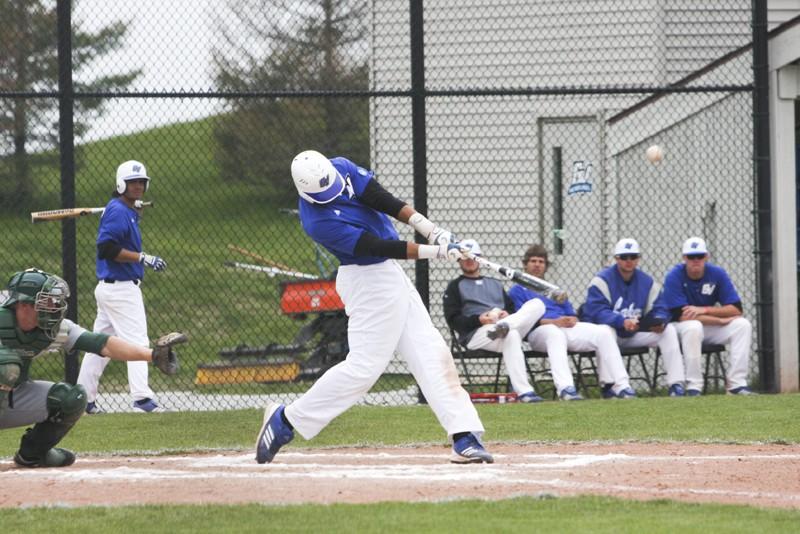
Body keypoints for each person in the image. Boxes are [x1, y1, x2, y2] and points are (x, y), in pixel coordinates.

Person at [256, 150, 493, 465]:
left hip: (388, 276)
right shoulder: (318, 222)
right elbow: (378, 247)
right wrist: (439, 252)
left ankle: (464, 434)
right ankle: (286, 420)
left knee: (429, 351)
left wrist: (433, 230)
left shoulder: (340, 168)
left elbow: (384, 200)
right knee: (364, 368)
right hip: (367, 280)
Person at [0, 268, 184, 467]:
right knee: (6, 365)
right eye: (45, 302)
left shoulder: (49, 329)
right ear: (23, 305)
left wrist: (152, 355)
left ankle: (32, 454)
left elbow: (101, 343)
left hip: (10, 397)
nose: (53, 307)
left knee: (71, 398)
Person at [77, 160, 168, 414]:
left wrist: (132, 209)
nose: (138, 186)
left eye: (141, 182)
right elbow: (106, 249)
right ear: (121, 184)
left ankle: (82, 399)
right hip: (121, 289)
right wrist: (142, 257)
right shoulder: (117, 211)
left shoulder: (124, 210)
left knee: (99, 345)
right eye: (132, 182)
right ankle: (142, 399)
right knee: (137, 341)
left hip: (112, 288)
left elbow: (119, 231)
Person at [508, 244, 634, 401]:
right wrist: (554, 322)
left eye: (541, 262)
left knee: (604, 331)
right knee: (554, 333)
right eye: (533, 261)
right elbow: (525, 321)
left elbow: (571, 314)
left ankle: (621, 386)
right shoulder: (518, 290)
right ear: (525, 264)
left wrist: (572, 319)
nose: (537, 265)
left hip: (564, 328)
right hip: (540, 332)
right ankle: (566, 389)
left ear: (546, 266)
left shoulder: (554, 289)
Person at [443, 239, 547, 402]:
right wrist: (479, 320)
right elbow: (453, 320)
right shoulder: (455, 286)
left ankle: (524, 392)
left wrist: (507, 314)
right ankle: (505, 327)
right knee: (511, 333)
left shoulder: (495, 284)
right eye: (465, 257)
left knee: (537, 304)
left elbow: (512, 309)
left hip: (502, 328)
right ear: (458, 259)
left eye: (473, 257)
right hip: (477, 334)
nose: (469, 261)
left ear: (480, 259)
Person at [580, 238, 685, 398]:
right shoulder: (601, 280)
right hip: (611, 332)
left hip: (634, 331)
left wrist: (660, 320)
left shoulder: (647, 282)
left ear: (638, 259)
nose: (629, 261)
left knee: (668, 331)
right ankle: (611, 386)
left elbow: (660, 306)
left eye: (633, 257)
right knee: (605, 331)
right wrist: (621, 321)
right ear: (616, 259)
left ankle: (676, 384)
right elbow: (597, 311)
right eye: (624, 257)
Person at [662, 237, 755, 396]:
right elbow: (681, 315)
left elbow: (736, 309)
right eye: (691, 257)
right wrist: (719, 320)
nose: (696, 260)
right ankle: (694, 386)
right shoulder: (674, 275)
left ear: (706, 257)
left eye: (700, 256)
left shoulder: (717, 273)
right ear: (684, 258)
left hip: (706, 325)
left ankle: (736, 384)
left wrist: (704, 309)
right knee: (693, 326)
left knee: (742, 325)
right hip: (679, 329)